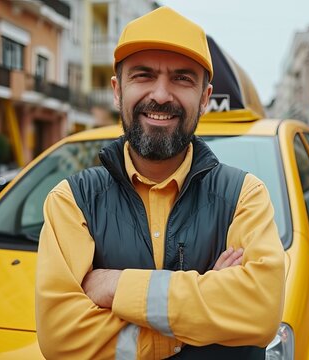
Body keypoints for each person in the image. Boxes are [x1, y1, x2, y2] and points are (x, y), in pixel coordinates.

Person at [36, 6, 285, 359]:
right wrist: (197, 320)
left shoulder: (245, 196)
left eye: (183, 78)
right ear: (117, 90)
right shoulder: (72, 201)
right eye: (143, 75)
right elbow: (61, 339)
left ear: (204, 98)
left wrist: (114, 286)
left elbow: (260, 314)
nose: (162, 95)